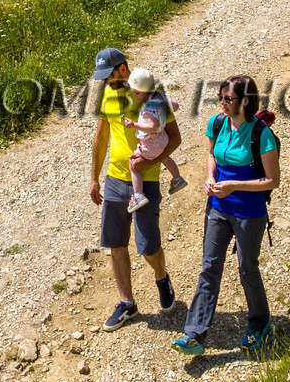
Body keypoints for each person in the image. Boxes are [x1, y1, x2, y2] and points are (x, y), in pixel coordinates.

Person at [173, 75, 280, 356]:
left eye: (227, 98)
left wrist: (233, 185)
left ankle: (259, 324)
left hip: (249, 213)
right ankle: (194, 334)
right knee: (209, 268)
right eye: (220, 97)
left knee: (247, 269)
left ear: (245, 101)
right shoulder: (217, 123)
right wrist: (210, 177)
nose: (222, 103)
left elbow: (272, 180)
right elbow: (212, 154)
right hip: (218, 209)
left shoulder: (262, 135)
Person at [90, 47, 181, 331]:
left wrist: (148, 159)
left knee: (148, 247)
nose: (105, 82)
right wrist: (93, 177)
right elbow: (101, 136)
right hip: (115, 178)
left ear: (123, 69)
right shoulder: (106, 94)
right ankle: (127, 303)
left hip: (147, 178)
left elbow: (175, 138)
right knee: (116, 244)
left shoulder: (150, 92)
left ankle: (161, 275)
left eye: (109, 75)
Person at [120, 67, 188, 212]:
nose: (136, 96)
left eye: (137, 93)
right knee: (165, 157)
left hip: (151, 143)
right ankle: (177, 179)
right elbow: (175, 105)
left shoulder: (148, 108)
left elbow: (152, 126)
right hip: (163, 139)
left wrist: (134, 125)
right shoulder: (160, 97)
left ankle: (138, 195)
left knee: (133, 165)